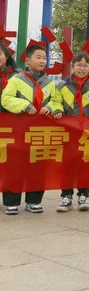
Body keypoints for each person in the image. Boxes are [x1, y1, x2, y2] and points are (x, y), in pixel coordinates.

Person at [1, 44, 59, 214]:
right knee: (14, 166)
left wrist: (50, 107)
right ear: (27, 60)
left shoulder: (49, 83)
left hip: (39, 133)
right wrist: (25, 105)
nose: (42, 61)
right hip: (18, 131)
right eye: (38, 57)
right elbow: (6, 99)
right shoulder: (17, 80)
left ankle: (34, 201)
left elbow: (55, 101)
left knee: (37, 165)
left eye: (44, 58)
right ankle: (11, 202)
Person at [52, 51, 89, 212]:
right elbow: (56, 102)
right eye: (78, 65)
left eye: (85, 65)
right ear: (73, 66)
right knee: (67, 164)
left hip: (88, 132)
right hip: (68, 131)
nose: (82, 68)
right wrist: (57, 109)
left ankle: (84, 196)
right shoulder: (62, 85)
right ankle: (66, 196)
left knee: (86, 164)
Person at [0, 42, 20, 215]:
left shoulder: (17, 77)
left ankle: (11, 201)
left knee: (12, 163)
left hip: (11, 126)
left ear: (6, 56)